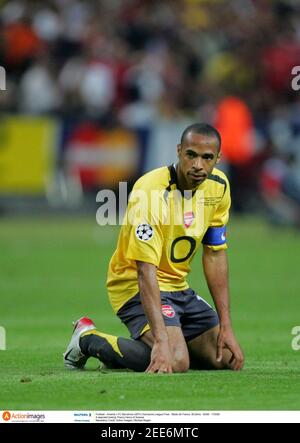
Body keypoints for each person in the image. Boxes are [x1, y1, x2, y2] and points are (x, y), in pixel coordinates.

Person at [64, 123, 244, 374]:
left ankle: (160, 344)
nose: (198, 165)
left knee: (226, 358)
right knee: (175, 360)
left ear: (218, 158)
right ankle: (86, 338)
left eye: (207, 157)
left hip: (179, 288)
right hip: (133, 284)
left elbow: (214, 253)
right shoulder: (150, 193)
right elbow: (144, 270)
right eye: (191, 155)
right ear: (179, 151)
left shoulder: (219, 186)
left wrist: (226, 325)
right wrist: (161, 341)